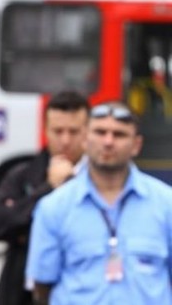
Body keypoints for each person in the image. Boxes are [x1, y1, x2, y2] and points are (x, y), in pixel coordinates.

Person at [26, 101, 172, 304]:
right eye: (100, 132)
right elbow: (42, 287)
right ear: (85, 139)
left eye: (119, 134)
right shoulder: (54, 207)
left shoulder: (166, 204)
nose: (108, 142)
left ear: (136, 145)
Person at [0, 90, 90, 305]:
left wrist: (24, 227)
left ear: (88, 132)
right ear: (45, 130)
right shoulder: (21, 173)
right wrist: (49, 187)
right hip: (20, 294)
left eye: (74, 131)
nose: (65, 140)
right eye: (57, 131)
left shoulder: (101, 180)